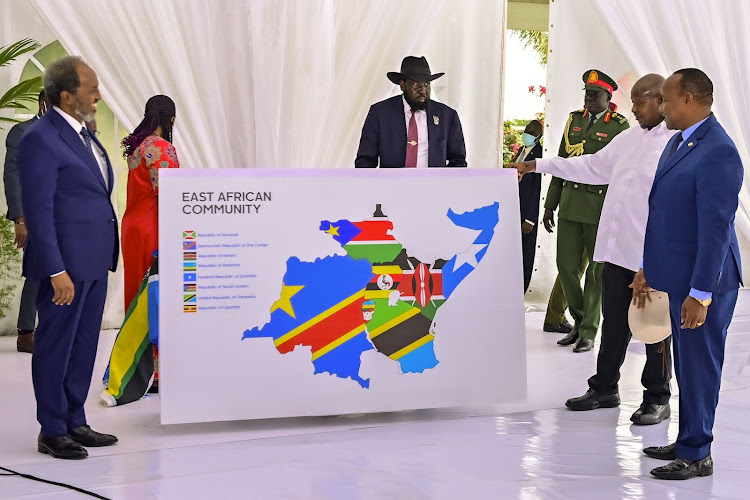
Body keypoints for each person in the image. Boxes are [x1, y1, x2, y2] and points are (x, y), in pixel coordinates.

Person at [509, 74, 677, 424]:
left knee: (654, 328)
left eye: (640, 101)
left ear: (661, 101)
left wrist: (654, 261)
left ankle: (658, 397)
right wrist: (536, 165)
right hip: (616, 253)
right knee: (614, 324)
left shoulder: (674, 144)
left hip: (650, 257)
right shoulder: (628, 138)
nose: (633, 109)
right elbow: (590, 166)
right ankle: (604, 388)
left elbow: (674, 209)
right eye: (633, 101)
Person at [631, 69, 743, 480]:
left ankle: (697, 454)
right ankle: (687, 439)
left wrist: (701, 293)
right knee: (687, 366)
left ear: (689, 100)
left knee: (700, 368)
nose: (661, 107)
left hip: (704, 281)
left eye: (666, 99)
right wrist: (649, 267)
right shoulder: (679, 141)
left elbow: (716, 230)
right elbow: (665, 214)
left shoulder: (718, 151)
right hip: (680, 275)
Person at [18, 56, 119, 459]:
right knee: (55, 347)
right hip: (64, 268)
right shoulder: (40, 138)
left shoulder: (83, 133)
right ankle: (52, 430)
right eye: (92, 89)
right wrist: (56, 270)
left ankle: (75, 420)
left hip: (93, 260)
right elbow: (39, 211)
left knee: (84, 345)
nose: (99, 96)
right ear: (67, 95)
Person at [544, 69, 630, 352]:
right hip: (569, 204)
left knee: (596, 273)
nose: (589, 98)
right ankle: (580, 322)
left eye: (595, 94)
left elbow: (622, 172)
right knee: (566, 268)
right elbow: (561, 163)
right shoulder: (574, 120)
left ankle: (589, 331)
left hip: (599, 208)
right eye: (587, 93)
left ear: (608, 97)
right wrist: (550, 204)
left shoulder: (619, 126)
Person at [3, 91, 51, 353]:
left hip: (64, 216)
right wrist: (20, 218)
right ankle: (25, 333)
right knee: (36, 271)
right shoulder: (21, 132)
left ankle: (53, 330)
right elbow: (12, 175)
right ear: (44, 104)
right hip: (34, 215)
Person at [121, 95, 179, 311]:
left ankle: (134, 333)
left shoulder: (139, 145)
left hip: (132, 226)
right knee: (155, 289)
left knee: (137, 288)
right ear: (170, 119)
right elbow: (168, 194)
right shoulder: (162, 147)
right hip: (153, 227)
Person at [355, 56, 466, 168]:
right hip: (392, 179)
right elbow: (365, 160)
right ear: (402, 85)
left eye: (426, 84)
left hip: (432, 179)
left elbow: (458, 161)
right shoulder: (380, 113)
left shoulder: (447, 116)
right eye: (416, 84)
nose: (423, 90)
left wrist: (444, 179)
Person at [513, 120, 543, 293]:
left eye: (532, 133)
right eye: (526, 131)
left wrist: (531, 219)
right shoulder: (522, 151)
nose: (527, 135)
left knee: (526, 253)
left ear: (539, 136)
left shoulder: (539, 155)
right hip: (515, 210)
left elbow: (538, 189)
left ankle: (523, 288)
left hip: (527, 214)